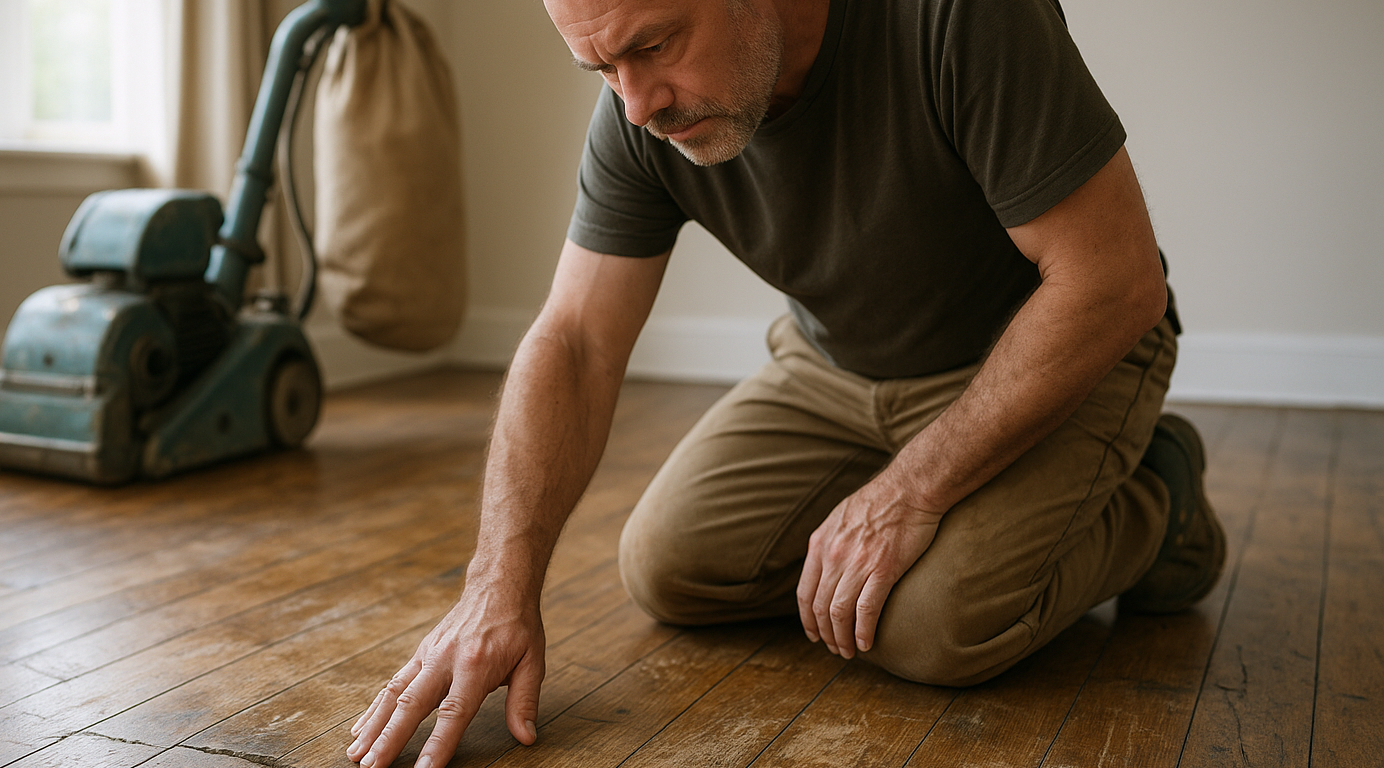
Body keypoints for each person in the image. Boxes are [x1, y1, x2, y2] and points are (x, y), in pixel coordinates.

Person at [346, 0, 1227, 765]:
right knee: (669, 569)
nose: (636, 102)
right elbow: (575, 338)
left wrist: (911, 493)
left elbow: (1112, 281)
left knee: (936, 626)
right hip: (836, 365)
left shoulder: (958, 16)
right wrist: (498, 581)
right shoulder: (634, 112)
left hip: (1057, 344)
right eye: (600, 67)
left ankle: (1162, 495)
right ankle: (910, 511)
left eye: (653, 45)